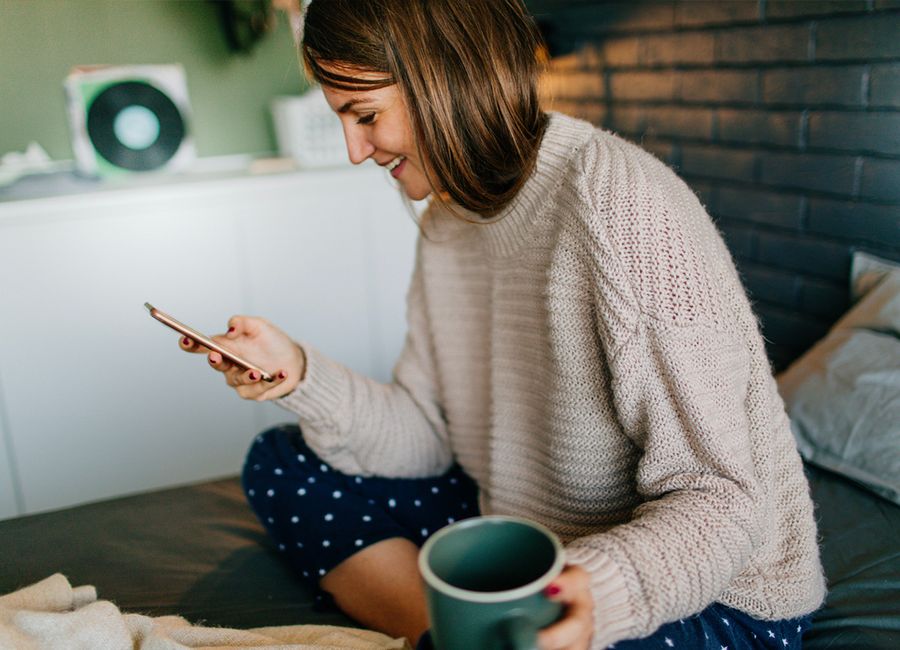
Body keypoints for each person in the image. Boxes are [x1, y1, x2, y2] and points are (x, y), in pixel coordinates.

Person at [180, 1, 826, 648]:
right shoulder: (446, 223)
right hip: (534, 532)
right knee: (281, 460)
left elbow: (724, 499)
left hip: (711, 588)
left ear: (448, 79)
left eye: (366, 116)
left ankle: (478, 634)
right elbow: (430, 435)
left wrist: (598, 591)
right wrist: (300, 373)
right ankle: (463, 635)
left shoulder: (620, 202)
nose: (355, 151)